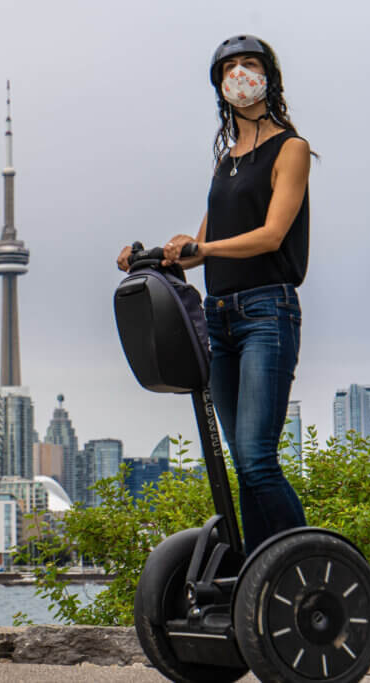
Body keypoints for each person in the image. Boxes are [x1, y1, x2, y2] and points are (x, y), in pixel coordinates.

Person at [117, 34, 311, 555]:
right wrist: (153, 254)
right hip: (219, 318)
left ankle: (310, 563)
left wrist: (201, 245)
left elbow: (270, 236)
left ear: (268, 77)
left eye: (250, 65)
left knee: (256, 457)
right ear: (219, 86)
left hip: (267, 312)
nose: (240, 74)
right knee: (242, 463)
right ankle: (261, 572)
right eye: (230, 68)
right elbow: (200, 251)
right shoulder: (227, 160)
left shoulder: (290, 149)